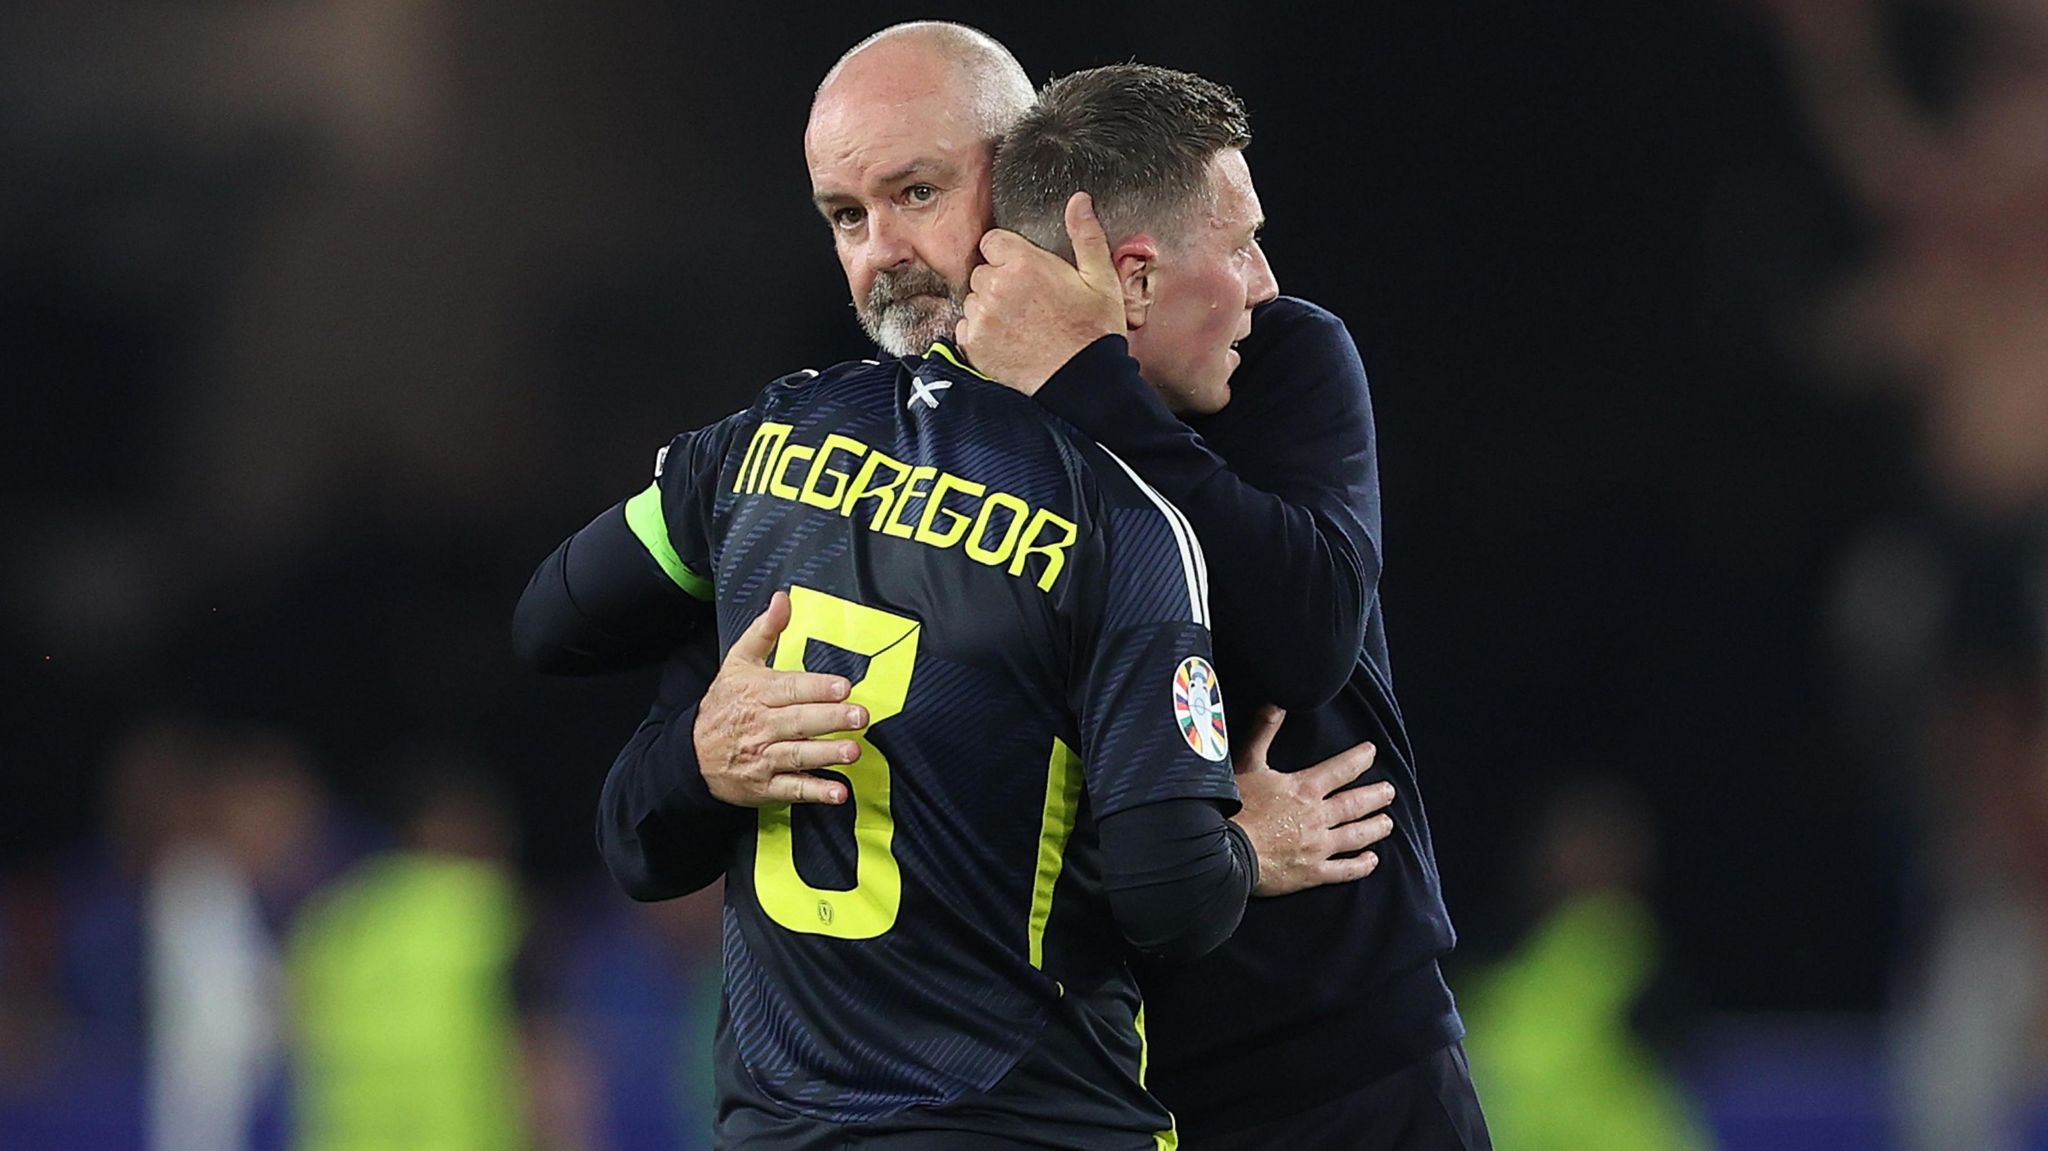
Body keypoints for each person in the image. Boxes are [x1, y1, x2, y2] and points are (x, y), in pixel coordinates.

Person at [515, 22, 1475, 1150]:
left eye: (917, 192)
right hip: (1078, 1084)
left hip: (1324, 1053)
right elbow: (626, 778)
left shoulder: (1256, 349)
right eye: (845, 217)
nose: (883, 254)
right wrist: (700, 751)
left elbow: (1305, 630)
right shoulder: (834, 463)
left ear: (1036, 184)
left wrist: (1083, 381)